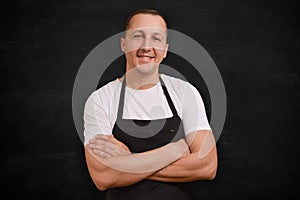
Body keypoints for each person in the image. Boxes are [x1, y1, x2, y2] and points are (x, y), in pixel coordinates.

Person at [84, 9, 217, 200]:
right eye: (138, 36)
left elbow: (207, 166)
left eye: (156, 38)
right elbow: (103, 176)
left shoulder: (184, 92)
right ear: (124, 44)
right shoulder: (101, 99)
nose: (147, 47)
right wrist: (175, 150)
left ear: (165, 49)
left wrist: (127, 161)